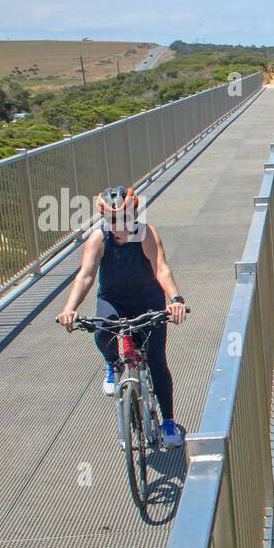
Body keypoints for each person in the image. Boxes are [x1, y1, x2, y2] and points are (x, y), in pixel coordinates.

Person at [56, 186, 188, 448]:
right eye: (113, 219)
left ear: (135, 213)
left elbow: (161, 269)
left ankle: (168, 421)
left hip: (147, 301)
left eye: (126, 216)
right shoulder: (98, 239)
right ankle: (113, 365)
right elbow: (85, 276)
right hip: (113, 300)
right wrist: (69, 308)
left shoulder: (147, 234)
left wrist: (175, 300)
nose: (120, 224)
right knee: (101, 331)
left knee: (157, 361)